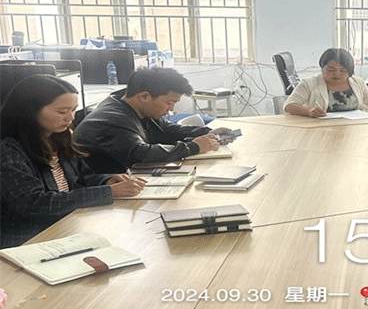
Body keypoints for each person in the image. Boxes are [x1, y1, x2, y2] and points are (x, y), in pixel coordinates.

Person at [1, 75, 146, 248]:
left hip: (64, 226)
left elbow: (81, 178)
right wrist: (108, 192)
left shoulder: (57, 136)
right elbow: (35, 204)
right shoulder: (7, 149)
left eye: (73, 110)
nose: (70, 118)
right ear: (31, 110)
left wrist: (107, 180)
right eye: (62, 112)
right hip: (28, 241)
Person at [74, 68, 234, 174]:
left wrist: (207, 133)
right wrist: (193, 147)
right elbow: (141, 154)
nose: (171, 109)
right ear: (144, 96)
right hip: (103, 188)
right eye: (169, 102)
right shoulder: (112, 120)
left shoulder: (132, 106)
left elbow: (168, 131)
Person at [284, 48, 368, 118]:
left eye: (343, 70)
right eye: (331, 69)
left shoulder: (358, 82)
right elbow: (289, 105)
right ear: (322, 68)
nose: (337, 74)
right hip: (318, 127)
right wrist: (309, 111)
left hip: (353, 126)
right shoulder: (309, 83)